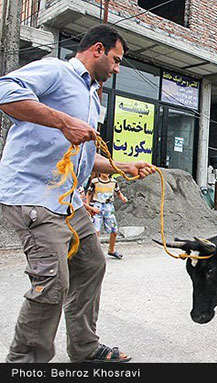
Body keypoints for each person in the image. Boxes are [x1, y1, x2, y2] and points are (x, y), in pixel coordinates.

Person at [0, 24, 155, 363]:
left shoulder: (91, 96)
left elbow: (83, 157)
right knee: (52, 282)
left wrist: (121, 167)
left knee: (91, 264)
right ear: (97, 50)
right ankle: (25, 363)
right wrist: (62, 121)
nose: (117, 69)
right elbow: (5, 91)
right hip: (33, 196)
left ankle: (84, 349)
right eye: (115, 61)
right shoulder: (56, 70)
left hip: (67, 202)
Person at [87, 173, 127, 259]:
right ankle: (96, 252)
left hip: (109, 207)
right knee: (96, 230)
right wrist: (88, 207)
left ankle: (111, 249)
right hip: (97, 206)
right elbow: (89, 194)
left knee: (114, 230)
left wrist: (123, 198)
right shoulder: (95, 182)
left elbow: (118, 192)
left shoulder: (114, 182)